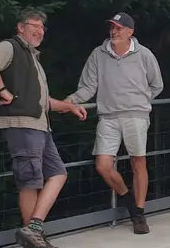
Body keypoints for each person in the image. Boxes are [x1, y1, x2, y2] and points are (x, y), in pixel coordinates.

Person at [0, 8, 87, 248]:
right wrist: (2, 91)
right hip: (22, 123)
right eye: (33, 26)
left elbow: (41, 100)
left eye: (41, 27)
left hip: (39, 124)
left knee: (57, 173)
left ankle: (33, 230)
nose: (39, 31)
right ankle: (34, 239)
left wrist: (68, 106)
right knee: (30, 181)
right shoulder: (12, 47)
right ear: (20, 27)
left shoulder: (31, 57)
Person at [66, 12, 164, 234]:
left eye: (119, 28)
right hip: (108, 117)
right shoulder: (98, 54)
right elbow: (88, 87)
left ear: (130, 31)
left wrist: (140, 102)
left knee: (138, 162)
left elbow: (157, 85)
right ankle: (129, 202)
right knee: (103, 165)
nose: (114, 31)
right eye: (112, 27)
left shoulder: (144, 54)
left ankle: (139, 214)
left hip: (136, 116)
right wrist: (70, 101)